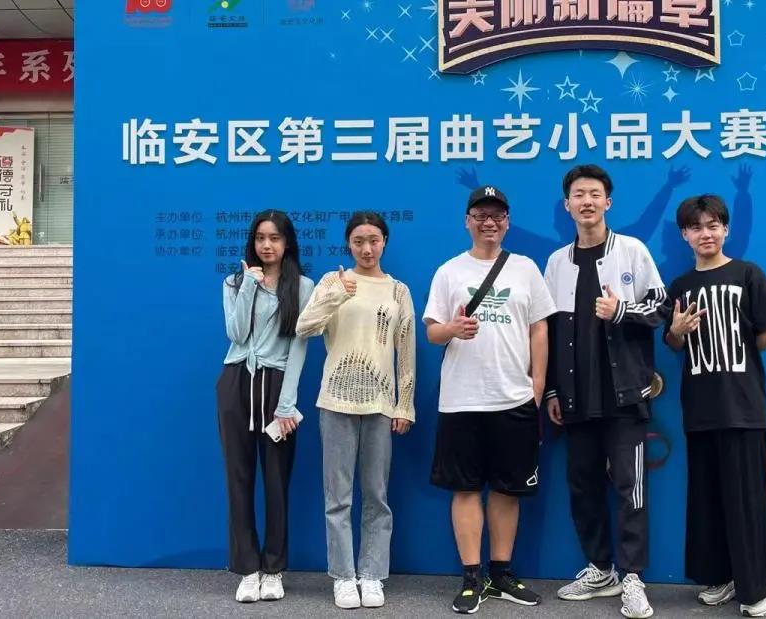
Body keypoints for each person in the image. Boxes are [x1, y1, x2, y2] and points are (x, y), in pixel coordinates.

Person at [543, 164, 671, 619]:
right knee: (582, 486)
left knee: (630, 488)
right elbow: (549, 333)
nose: (587, 202)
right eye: (579, 194)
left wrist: (622, 311)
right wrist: (553, 391)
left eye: (595, 194)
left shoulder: (631, 250)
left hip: (624, 395)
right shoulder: (556, 263)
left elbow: (661, 308)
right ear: (567, 205)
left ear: (608, 202)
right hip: (576, 397)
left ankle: (633, 577)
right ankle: (601, 569)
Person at [424, 185, 556, 614]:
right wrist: (452, 329)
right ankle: (471, 577)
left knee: (507, 489)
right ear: (467, 221)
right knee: (465, 489)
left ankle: (500, 574)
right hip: (461, 399)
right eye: (480, 215)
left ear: (507, 222)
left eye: (497, 215)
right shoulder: (449, 271)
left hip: (513, 397)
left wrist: (537, 385)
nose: (489, 222)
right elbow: (432, 331)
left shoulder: (525, 269)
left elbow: (540, 328)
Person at [664, 194, 766, 618]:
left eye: (713, 225)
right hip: (700, 409)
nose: (706, 233)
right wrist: (677, 330)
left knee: (747, 500)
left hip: (743, 408)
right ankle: (722, 577)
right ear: (685, 234)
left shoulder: (747, 273)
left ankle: (760, 585)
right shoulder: (680, 286)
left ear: (726, 229)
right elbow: (672, 342)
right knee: (709, 499)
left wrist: (742, 352)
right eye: (696, 227)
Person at [296, 211, 416, 609]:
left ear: (384, 242)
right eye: (359, 241)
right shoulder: (333, 282)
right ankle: (344, 576)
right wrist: (337, 295)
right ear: (348, 244)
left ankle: (372, 574)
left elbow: (406, 352)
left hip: (380, 403)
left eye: (374, 240)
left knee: (377, 494)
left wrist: (404, 404)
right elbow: (304, 327)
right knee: (338, 497)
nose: (367, 248)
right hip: (335, 400)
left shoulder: (398, 290)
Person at [217, 209, 314, 603]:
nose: (267, 245)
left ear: (287, 242)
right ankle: (248, 569)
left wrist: (287, 404)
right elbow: (236, 333)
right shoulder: (234, 281)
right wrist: (248, 288)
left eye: (274, 238)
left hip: (276, 386)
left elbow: (299, 347)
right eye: (260, 238)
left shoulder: (302, 286)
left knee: (276, 480)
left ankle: (274, 568)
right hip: (237, 381)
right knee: (238, 479)